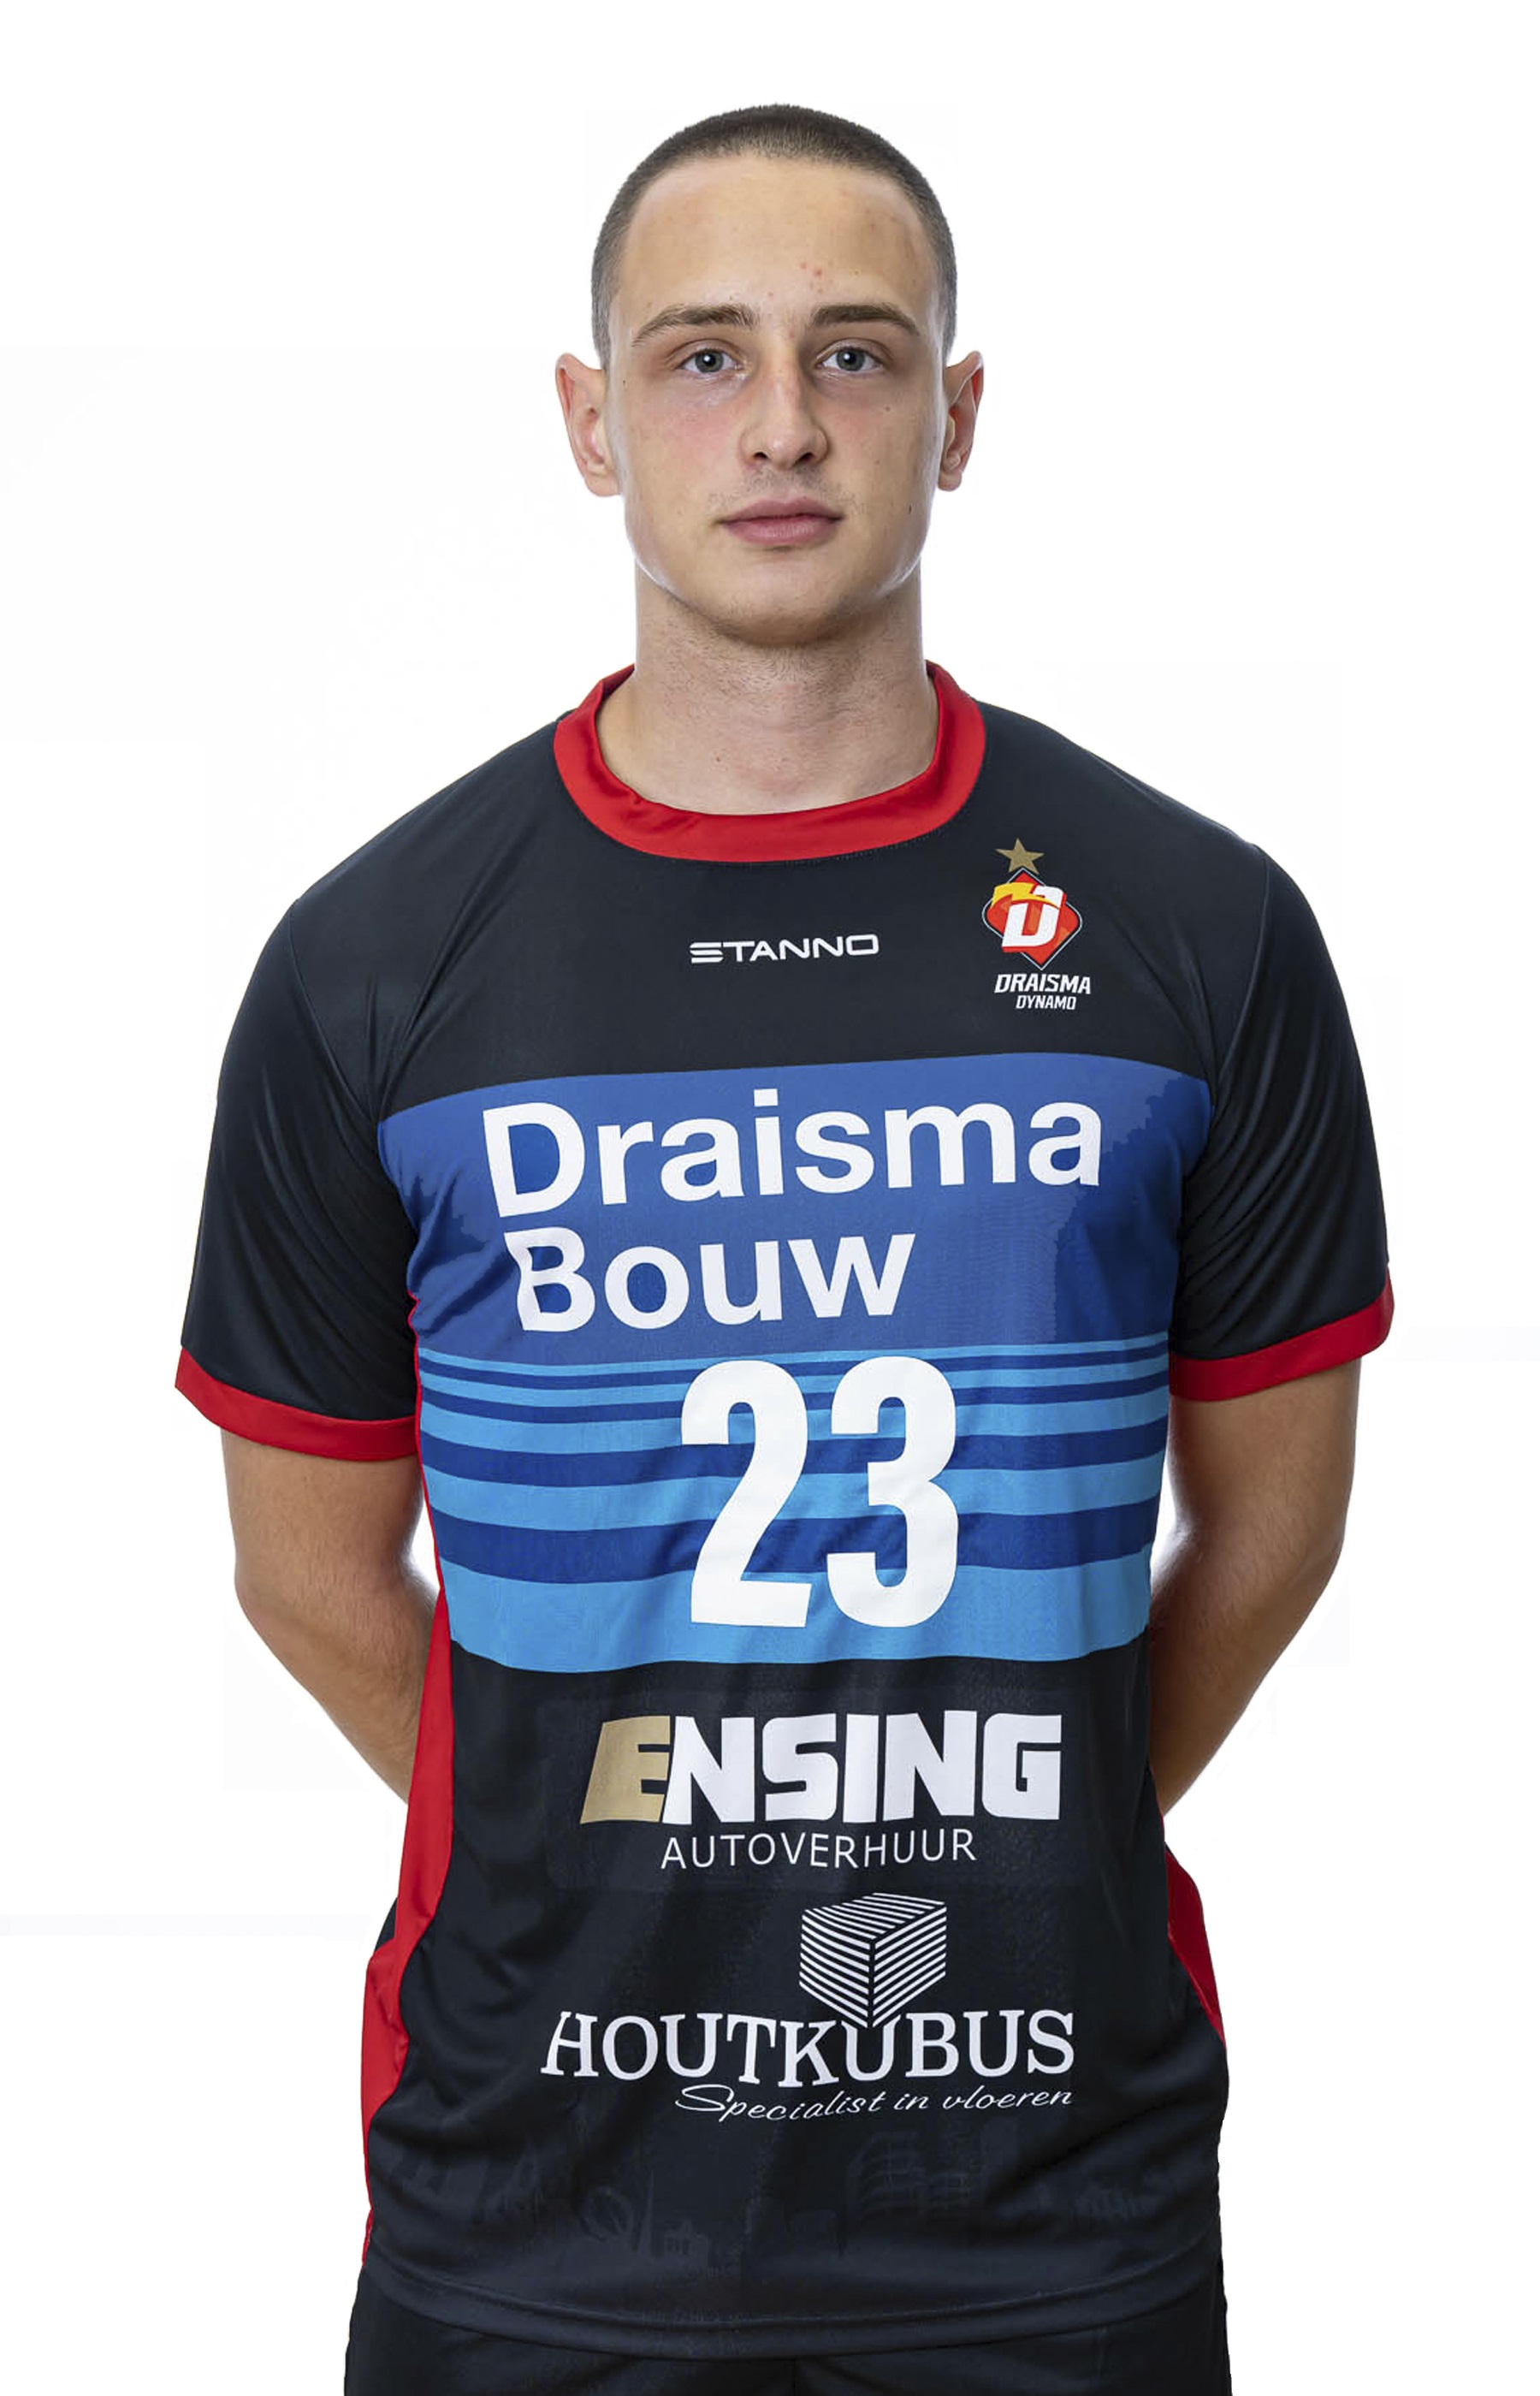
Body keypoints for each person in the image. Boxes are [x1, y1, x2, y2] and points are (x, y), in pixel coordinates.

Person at [175, 103, 1391, 2396]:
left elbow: (1280, 1524)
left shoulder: (1194, 929)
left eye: (853, 353)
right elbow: (304, 1567)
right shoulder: (377, 963)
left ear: (956, 413)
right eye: (704, 356)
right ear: (590, 419)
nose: (783, 427)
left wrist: (1042, 1816)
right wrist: (584, 1838)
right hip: (534, 2199)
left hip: (1056, 2210)